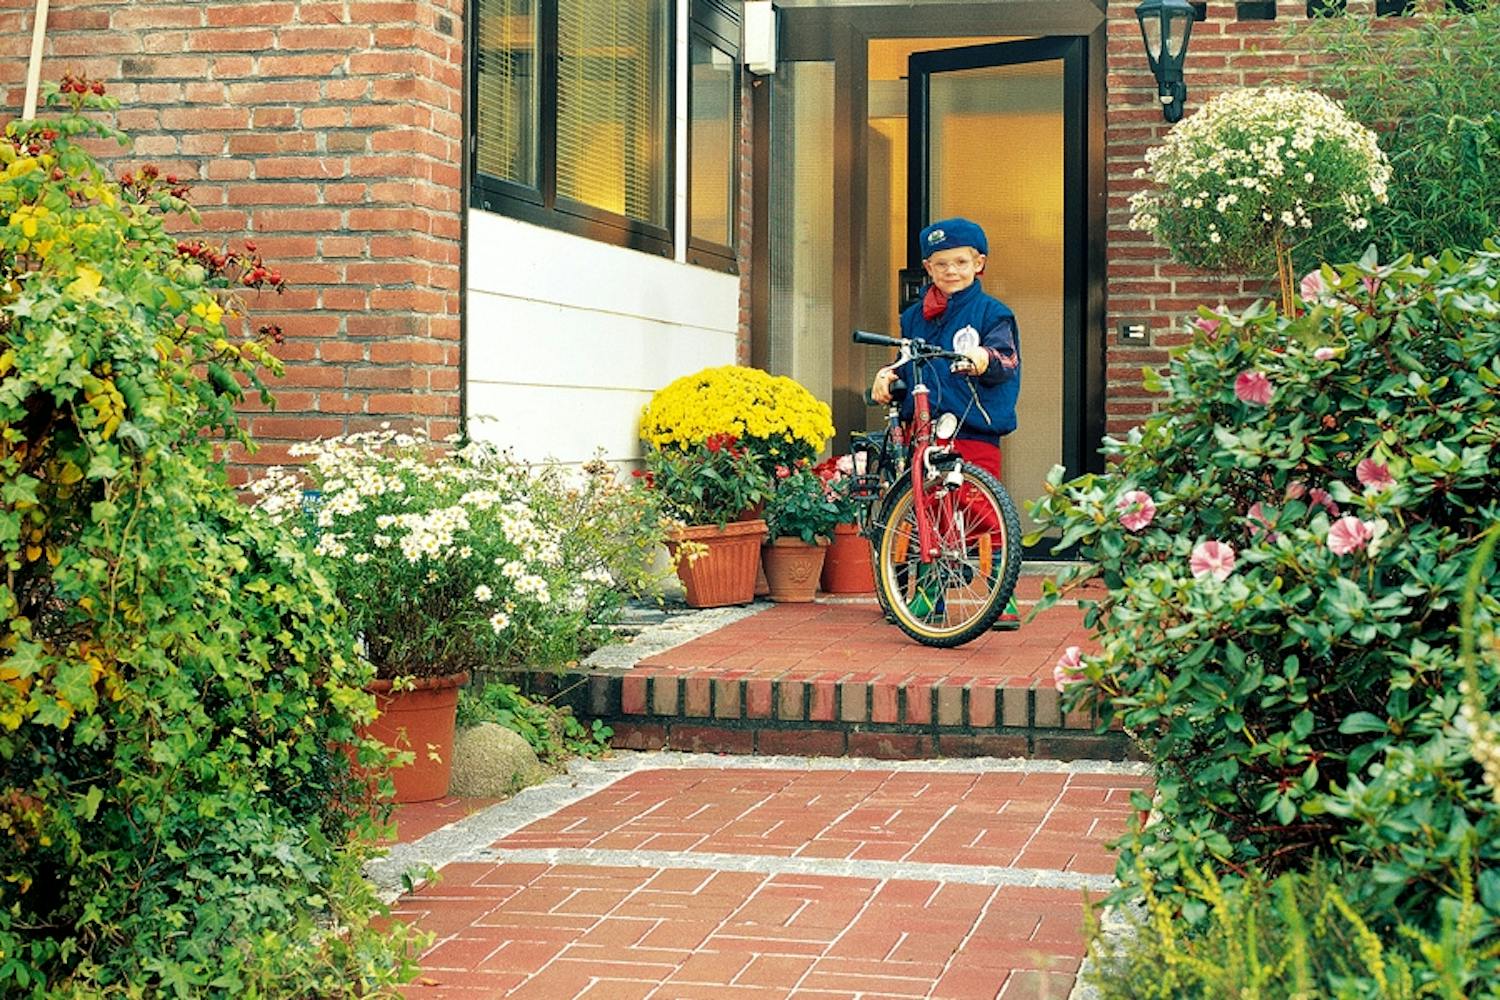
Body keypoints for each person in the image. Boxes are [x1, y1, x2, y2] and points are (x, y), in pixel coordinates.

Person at [871, 217, 1022, 630]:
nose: (950, 271)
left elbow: (1005, 358)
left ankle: (1000, 590)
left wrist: (984, 358)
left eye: (960, 262)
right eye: (941, 264)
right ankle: (930, 592)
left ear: (979, 264)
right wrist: (887, 374)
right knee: (930, 508)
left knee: (981, 507)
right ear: (928, 267)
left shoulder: (993, 313)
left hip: (972, 423)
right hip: (925, 425)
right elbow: (906, 360)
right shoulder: (913, 317)